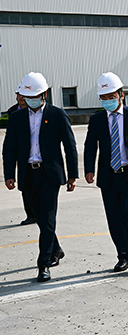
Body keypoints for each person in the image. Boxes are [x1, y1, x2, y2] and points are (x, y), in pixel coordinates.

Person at [3, 72, 78, 282]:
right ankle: (56, 249)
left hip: (49, 174)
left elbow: (70, 146)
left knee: (47, 219)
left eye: (34, 96)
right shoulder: (16, 117)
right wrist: (9, 174)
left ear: (44, 94)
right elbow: (9, 148)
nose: (30, 100)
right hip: (27, 174)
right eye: (27, 97)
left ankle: (43, 265)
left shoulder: (57, 114)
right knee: (40, 219)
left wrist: (72, 175)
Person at [84, 72, 128, 272]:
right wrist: (89, 170)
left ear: (121, 95)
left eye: (112, 96)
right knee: (114, 217)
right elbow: (90, 146)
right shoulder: (97, 119)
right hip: (108, 175)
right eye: (104, 98)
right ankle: (123, 256)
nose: (108, 100)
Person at [7, 83, 38, 225]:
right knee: (25, 188)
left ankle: (38, 214)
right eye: (18, 95)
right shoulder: (13, 112)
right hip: (22, 155)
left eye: (23, 95)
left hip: (37, 155)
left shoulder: (37, 111)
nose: (20, 97)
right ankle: (30, 215)